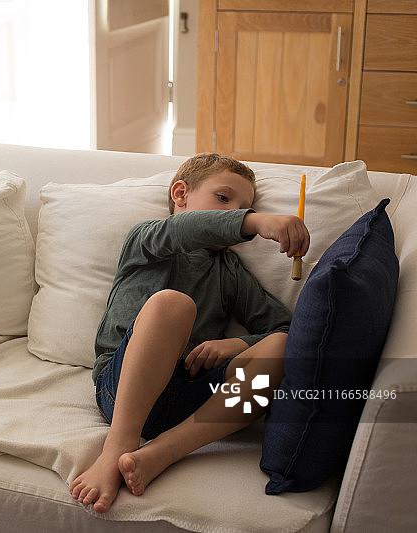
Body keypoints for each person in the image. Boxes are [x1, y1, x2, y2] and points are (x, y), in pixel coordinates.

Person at [70, 153, 310, 514]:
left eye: (246, 206)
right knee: (172, 304)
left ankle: (164, 451)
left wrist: (236, 344)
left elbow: (285, 327)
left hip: (192, 397)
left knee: (281, 346)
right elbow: (189, 229)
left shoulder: (230, 271)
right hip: (121, 390)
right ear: (180, 194)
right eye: (224, 199)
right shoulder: (148, 239)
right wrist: (256, 221)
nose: (235, 213)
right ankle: (117, 448)